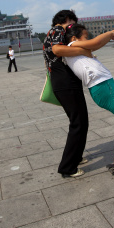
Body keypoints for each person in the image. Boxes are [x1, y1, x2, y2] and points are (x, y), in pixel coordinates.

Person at [64, 24, 114, 173]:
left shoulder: (74, 50)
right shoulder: (72, 44)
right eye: (85, 36)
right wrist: (112, 32)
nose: (88, 39)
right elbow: (95, 43)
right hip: (103, 86)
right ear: (74, 38)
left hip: (104, 86)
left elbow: (94, 45)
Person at [43, 10, 93, 178]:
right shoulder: (57, 30)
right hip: (65, 83)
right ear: (65, 19)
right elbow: (58, 50)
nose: (72, 26)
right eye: (71, 22)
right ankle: (67, 167)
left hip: (64, 82)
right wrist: (83, 51)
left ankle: (76, 157)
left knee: (80, 121)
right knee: (78, 122)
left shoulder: (51, 33)